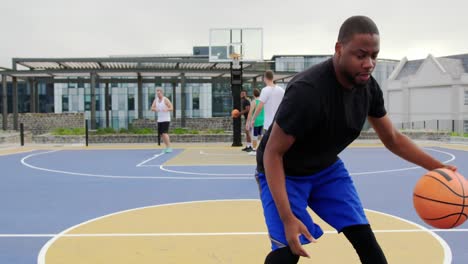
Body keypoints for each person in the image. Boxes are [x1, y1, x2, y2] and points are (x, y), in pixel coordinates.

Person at [255, 16, 457, 264]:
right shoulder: (308, 91)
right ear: (339, 49)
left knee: (367, 243)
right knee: (288, 253)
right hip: (285, 172)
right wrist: (287, 218)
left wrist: (439, 168)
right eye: (360, 55)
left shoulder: (368, 88)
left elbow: (393, 139)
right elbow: (272, 153)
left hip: (326, 170)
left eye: (374, 55)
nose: (369, 63)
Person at [151, 87, 173, 153]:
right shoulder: (156, 100)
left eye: (159, 93)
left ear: (162, 93)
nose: (158, 94)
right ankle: (166, 147)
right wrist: (155, 109)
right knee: (161, 134)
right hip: (159, 120)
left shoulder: (165, 99)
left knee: (164, 133)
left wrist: (167, 109)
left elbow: (171, 108)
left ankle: (169, 147)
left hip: (166, 119)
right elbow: (152, 108)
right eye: (157, 93)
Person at [246, 88, 264, 155]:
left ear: (253, 94)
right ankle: (262, 149)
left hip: (256, 120)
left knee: (254, 135)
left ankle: (254, 150)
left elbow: (250, 113)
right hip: (263, 120)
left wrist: (248, 122)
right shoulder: (263, 101)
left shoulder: (254, 102)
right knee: (261, 135)